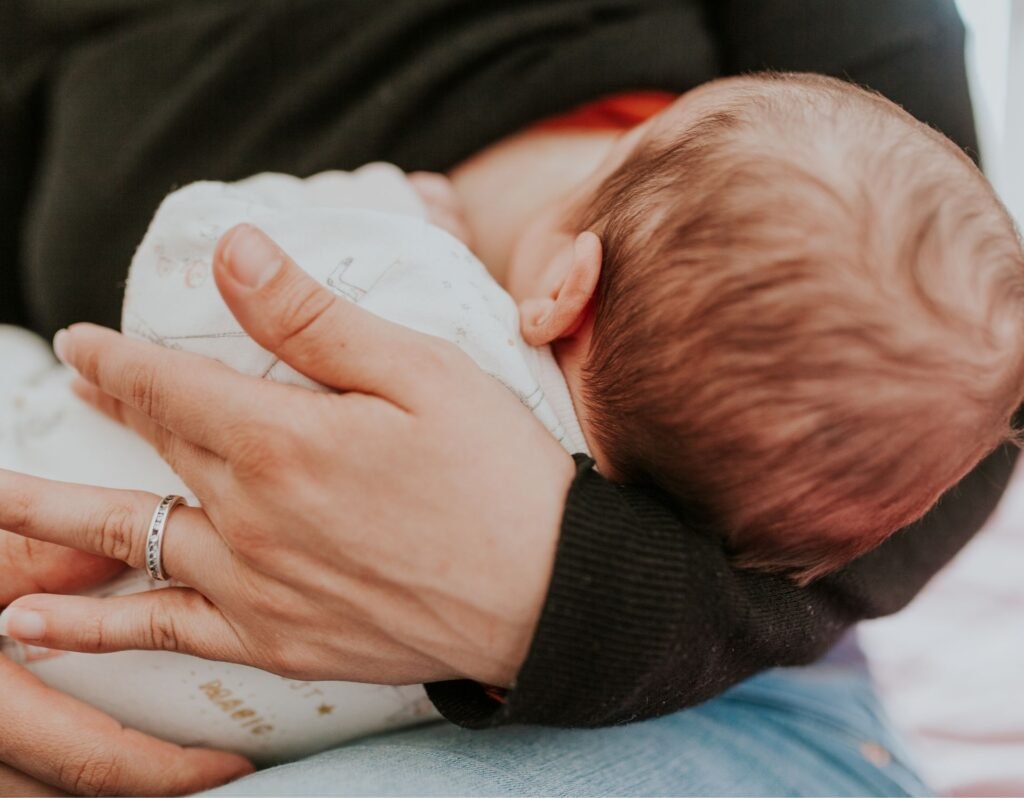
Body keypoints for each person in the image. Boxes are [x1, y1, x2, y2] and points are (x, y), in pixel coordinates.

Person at [0, 0, 1012, 794]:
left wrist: (555, 594)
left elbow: (196, 252)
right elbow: (949, 393)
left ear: (565, 286)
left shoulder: (395, 276)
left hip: (700, 691)